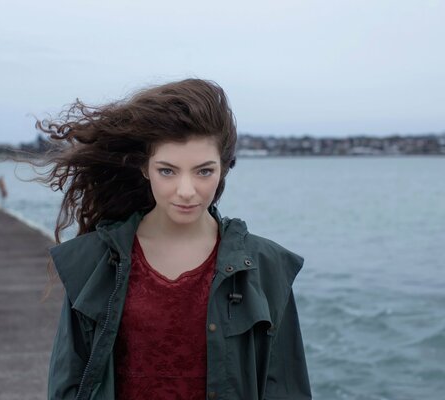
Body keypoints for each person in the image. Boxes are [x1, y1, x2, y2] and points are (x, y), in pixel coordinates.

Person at [35, 78, 311, 400]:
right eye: (168, 171)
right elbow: (67, 384)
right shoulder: (93, 261)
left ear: (224, 169)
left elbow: (287, 389)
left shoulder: (267, 267)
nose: (186, 190)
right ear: (144, 168)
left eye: (203, 171)